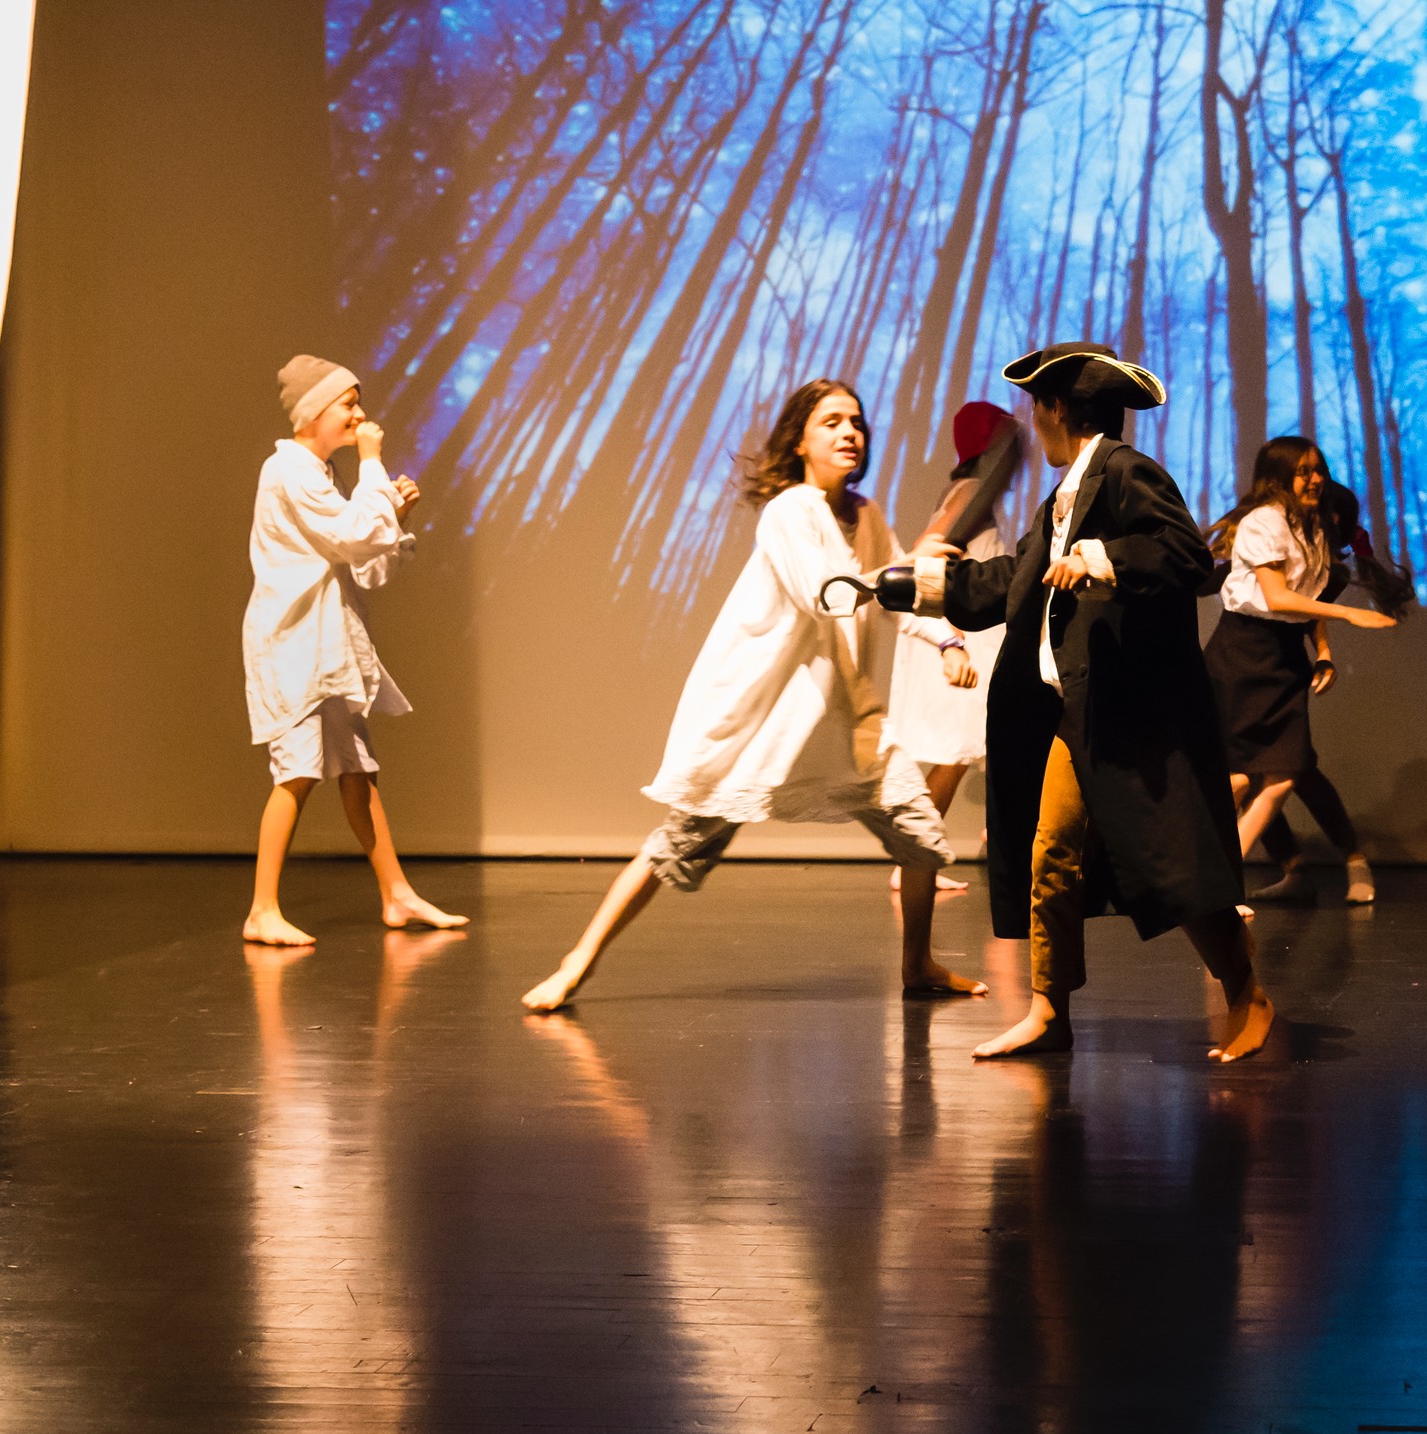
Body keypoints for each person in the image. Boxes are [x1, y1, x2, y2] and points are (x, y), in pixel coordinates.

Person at [519, 379, 986, 1012]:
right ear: (799, 441)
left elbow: (900, 597)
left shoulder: (867, 514)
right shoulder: (790, 511)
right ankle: (577, 962)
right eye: (831, 422)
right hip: (770, 723)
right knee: (677, 845)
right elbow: (825, 594)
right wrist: (905, 570)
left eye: (856, 422)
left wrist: (947, 639)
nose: (849, 432)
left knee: (921, 836)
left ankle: (917, 965)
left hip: (849, 723)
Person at [904, 340, 1272, 1062]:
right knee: (1051, 855)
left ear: (1056, 408)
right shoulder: (1064, 499)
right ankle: (1049, 1011)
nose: (1032, 423)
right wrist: (920, 585)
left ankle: (1246, 993)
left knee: (1172, 862)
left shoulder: (1127, 472)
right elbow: (1010, 580)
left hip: (1131, 716)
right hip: (1077, 714)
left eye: (1035, 408)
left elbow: (1187, 556)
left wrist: (1101, 559)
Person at [241, 355, 466, 947]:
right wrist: (373, 468)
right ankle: (261, 909)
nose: (360, 414)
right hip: (294, 644)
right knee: (297, 772)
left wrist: (394, 514)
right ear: (314, 411)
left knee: (357, 768)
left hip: (328, 644)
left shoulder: (321, 475)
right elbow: (355, 535)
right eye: (348, 403)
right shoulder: (288, 471)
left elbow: (362, 562)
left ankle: (396, 892)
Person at [1204, 439, 1398, 906]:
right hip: (1241, 655)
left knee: (1286, 773)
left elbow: (1307, 603)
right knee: (1246, 779)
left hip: (1285, 657)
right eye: (1303, 471)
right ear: (1277, 478)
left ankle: (1221, 883)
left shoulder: (1313, 528)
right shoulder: (1264, 522)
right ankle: (1221, 881)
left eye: (1318, 470)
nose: (1315, 479)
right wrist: (1351, 615)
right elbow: (1277, 598)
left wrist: (1324, 651)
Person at [881, 402, 1017, 894]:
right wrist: (951, 639)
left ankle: (925, 856)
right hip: (961, 639)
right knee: (960, 753)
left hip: (967, 637)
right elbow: (926, 554)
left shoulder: (968, 488)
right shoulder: (970, 489)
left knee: (969, 752)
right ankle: (916, 858)